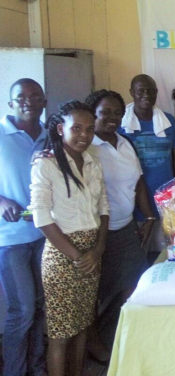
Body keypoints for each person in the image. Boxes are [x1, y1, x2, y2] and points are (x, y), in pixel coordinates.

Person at [29, 101, 109, 376]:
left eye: (89, 129)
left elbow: (104, 209)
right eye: (76, 129)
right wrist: (78, 257)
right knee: (61, 333)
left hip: (91, 253)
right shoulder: (46, 164)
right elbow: (41, 218)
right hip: (63, 256)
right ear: (62, 128)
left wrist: (97, 250)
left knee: (83, 325)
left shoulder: (92, 161)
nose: (84, 135)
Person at [85, 89, 154, 355]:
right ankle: (94, 343)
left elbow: (138, 184)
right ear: (94, 114)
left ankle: (128, 338)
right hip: (94, 232)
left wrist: (148, 216)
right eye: (106, 112)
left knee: (133, 284)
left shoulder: (125, 143)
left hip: (125, 227)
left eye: (118, 113)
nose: (113, 118)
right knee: (94, 291)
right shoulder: (86, 145)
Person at [0, 78, 47, 376]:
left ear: (44, 101)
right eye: (21, 97)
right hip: (11, 239)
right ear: (10, 104)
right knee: (23, 311)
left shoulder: (49, 136)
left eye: (35, 96)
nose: (28, 101)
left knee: (42, 308)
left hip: (46, 235)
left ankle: (38, 368)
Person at [119, 74, 175, 260]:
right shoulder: (121, 125)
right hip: (134, 201)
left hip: (166, 201)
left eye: (150, 91)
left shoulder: (169, 122)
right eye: (140, 91)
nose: (145, 95)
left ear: (156, 93)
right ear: (132, 93)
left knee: (165, 253)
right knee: (139, 255)